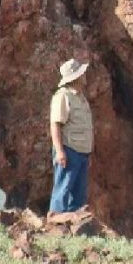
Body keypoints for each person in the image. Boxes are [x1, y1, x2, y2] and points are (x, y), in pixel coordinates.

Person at [49, 57, 94, 213]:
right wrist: (60, 151)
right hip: (69, 151)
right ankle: (55, 224)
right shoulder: (63, 96)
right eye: (82, 73)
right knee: (63, 189)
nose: (85, 75)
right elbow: (55, 124)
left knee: (78, 195)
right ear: (76, 76)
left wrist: (88, 154)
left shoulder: (80, 98)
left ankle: (74, 228)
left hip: (82, 153)